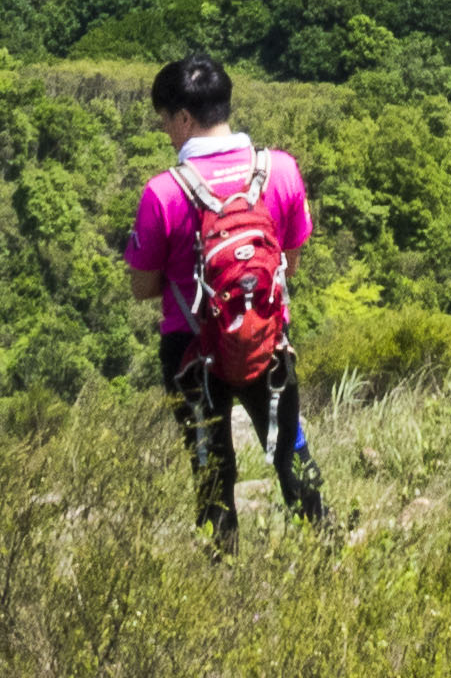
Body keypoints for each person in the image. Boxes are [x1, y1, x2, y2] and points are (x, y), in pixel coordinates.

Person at [121, 54, 329, 547]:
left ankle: (224, 576)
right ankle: (326, 549)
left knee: (211, 468)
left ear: (185, 118)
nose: (166, 131)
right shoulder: (278, 170)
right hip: (266, 337)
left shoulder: (163, 192)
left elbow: (143, 286)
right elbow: (290, 261)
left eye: (166, 120)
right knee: (290, 450)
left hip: (191, 352)